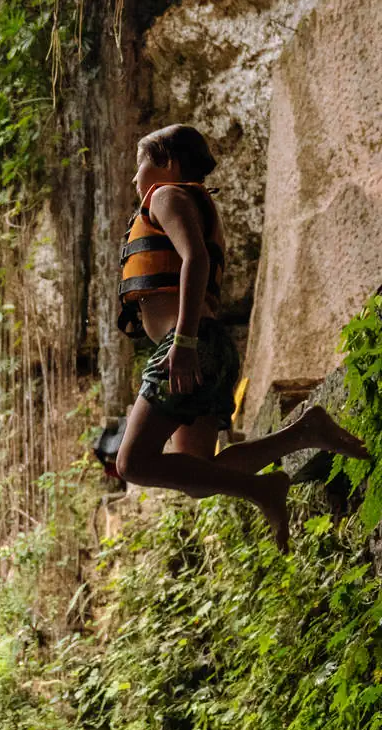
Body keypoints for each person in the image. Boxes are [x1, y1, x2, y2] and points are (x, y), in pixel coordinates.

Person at [111, 123, 369, 552]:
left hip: (190, 344)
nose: (135, 177)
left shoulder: (166, 195)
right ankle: (304, 432)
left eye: (140, 164)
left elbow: (194, 259)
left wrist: (184, 343)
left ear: (167, 164)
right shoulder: (193, 202)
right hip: (207, 345)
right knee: (197, 474)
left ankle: (263, 490)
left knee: (132, 462)